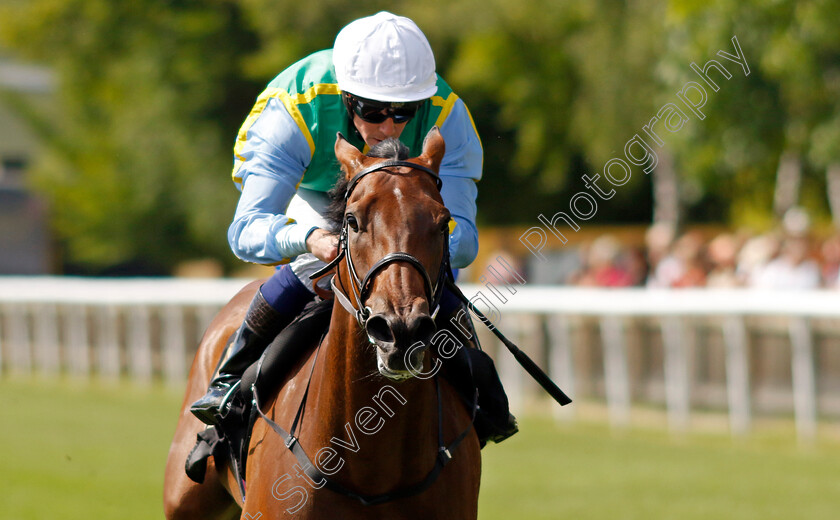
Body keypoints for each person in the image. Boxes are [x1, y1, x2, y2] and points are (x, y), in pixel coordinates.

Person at [190, 12, 509, 438]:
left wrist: (417, 243)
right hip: (313, 191)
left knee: (429, 275)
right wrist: (310, 238)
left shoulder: (448, 117)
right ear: (345, 97)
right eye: (372, 110)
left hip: (403, 207)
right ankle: (228, 383)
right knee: (310, 269)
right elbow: (246, 230)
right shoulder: (294, 112)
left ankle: (483, 400)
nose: (388, 127)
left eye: (403, 112)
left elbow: (463, 242)